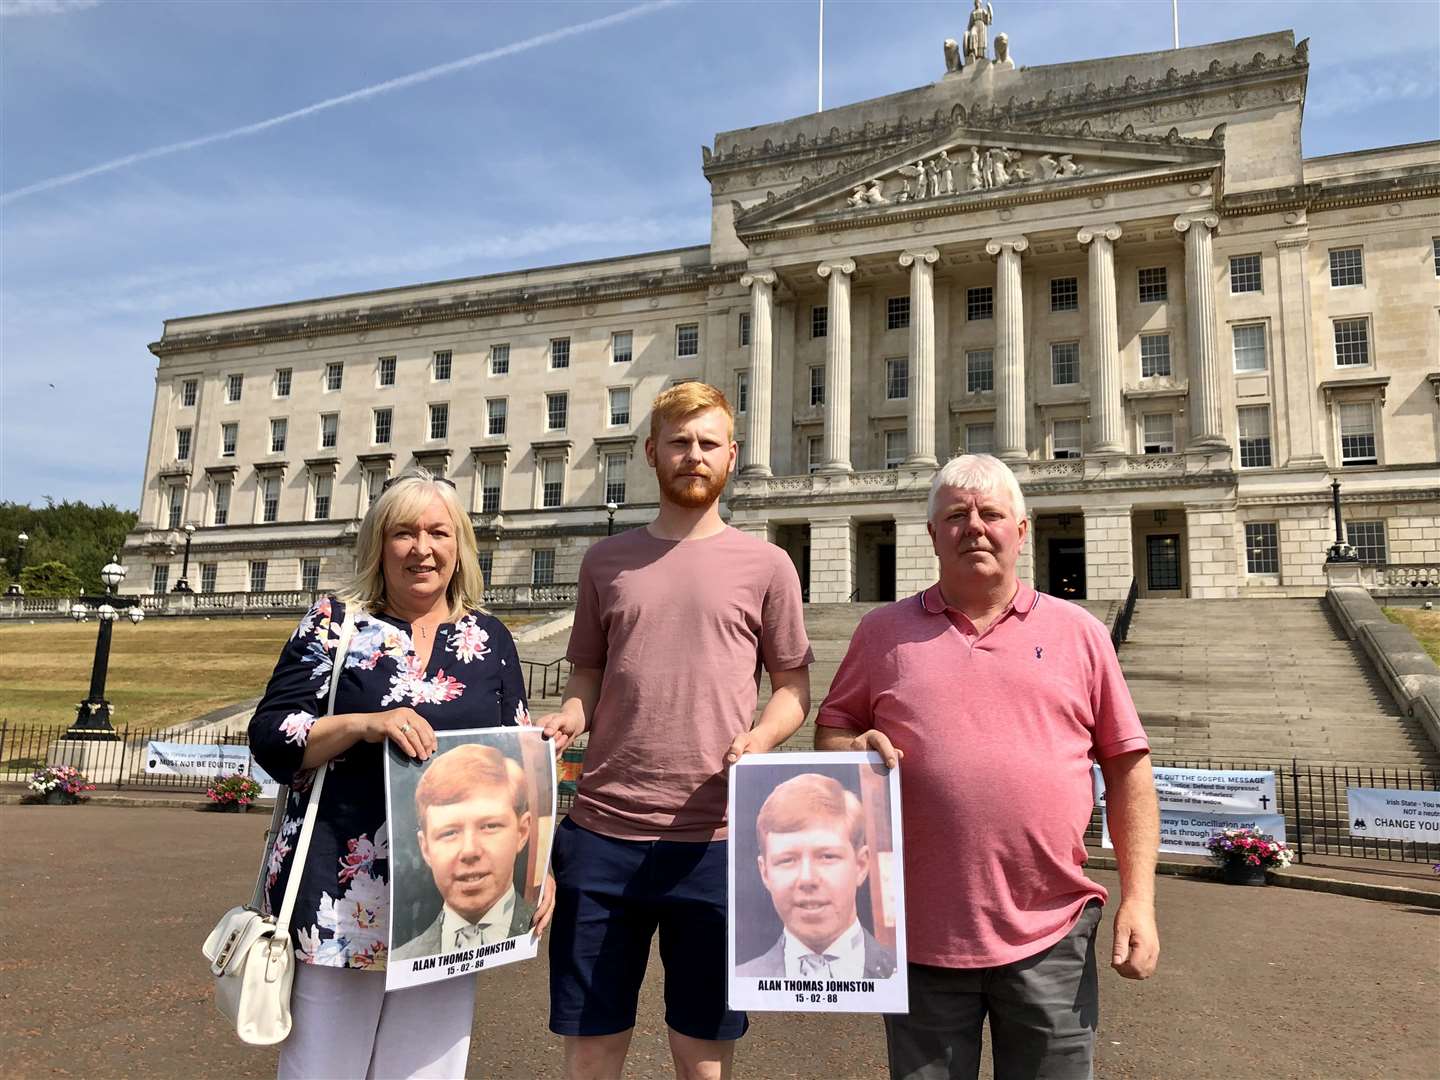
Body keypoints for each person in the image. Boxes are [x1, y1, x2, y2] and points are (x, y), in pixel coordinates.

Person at [815, 453, 1159, 1080]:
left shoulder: (1080, 633)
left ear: (1021, 531)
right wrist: (854, 747)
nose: (974, 526)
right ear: (932, 535)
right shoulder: (881, 632)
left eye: (991, 513)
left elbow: (1128, 768)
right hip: (919, 934)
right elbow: (832, 729)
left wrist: (1140, 899)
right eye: (955, 515)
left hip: (1051, 928)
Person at [541, 382, 813, 1080]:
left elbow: (792, 691)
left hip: (717, 842)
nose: (694, 455)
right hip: (602, 836)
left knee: (702, 1056)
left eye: (708, 443)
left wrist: (760, 737)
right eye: (679, 442)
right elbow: (587, 677)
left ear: (732, 454)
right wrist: (571, 716)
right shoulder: (606, 562)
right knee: (594, 1049)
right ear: (651, 453)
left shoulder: (768, 564)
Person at [248, 469, 553, 1079]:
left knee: (427, 1069)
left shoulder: (489, 639)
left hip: (450, 899)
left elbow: (519, 756)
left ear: (459, 545)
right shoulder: (335, 625)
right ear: (378, 545)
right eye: (404, 534)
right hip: (341, 891)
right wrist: (363, 723)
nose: (422, 549)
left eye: (438, 532)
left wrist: (540, 870)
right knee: (322, 1066)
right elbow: (272, 736)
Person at [735, 772, 896, 980]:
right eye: (787, 860)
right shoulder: (743, 980)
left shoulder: (899, 975)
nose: (807, 879)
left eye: (827, 856)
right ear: (765, 873)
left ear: (861, 865)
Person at [391, 743, 537, 959]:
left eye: (489, 826)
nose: (469, 851)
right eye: (449, 833)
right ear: (426, 848)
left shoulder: (537, 931)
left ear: (522, 832)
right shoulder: (403, 959)